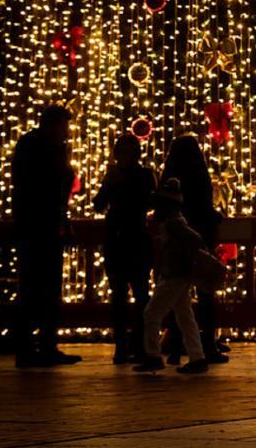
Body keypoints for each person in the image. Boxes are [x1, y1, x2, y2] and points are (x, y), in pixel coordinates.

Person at [12, 104, 81, 368]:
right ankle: (28, 348)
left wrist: (63, 221)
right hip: (34, 226)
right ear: (51, 124)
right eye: (63, 125)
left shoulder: (54, 147)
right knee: (32, 288)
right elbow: (33, 186)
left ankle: (46, 346)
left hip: (50, 226)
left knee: (49, 288)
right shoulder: (33, 146)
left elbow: (59, 189)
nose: (65, 131)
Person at [160, 135, 228, 365]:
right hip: (199, 240)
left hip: (176, 245)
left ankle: (177, 346)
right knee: (205, 294)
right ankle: (207, 345)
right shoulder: (200, 176)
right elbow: (207, 209)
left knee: (177, 295)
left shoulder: (170, 179)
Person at [133, 178, 208, 374]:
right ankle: (197, 355)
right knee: (185, 315)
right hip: (180, 274)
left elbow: (194, 238)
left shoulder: (173, 223)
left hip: (174, 274)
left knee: (152, 313)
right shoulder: (174, 221)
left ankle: (152, 355)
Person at [93, 134, 156, 364]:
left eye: (129, 152)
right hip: (117, 240)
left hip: (135, 239)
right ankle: (121, 346)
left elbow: (149, 202)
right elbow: (99, 204)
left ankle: (139, 346)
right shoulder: (113, 176)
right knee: (119, 296)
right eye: (121, 152)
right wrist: (110, 185)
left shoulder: (144, 175)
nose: (125, 157)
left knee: (140, 296)